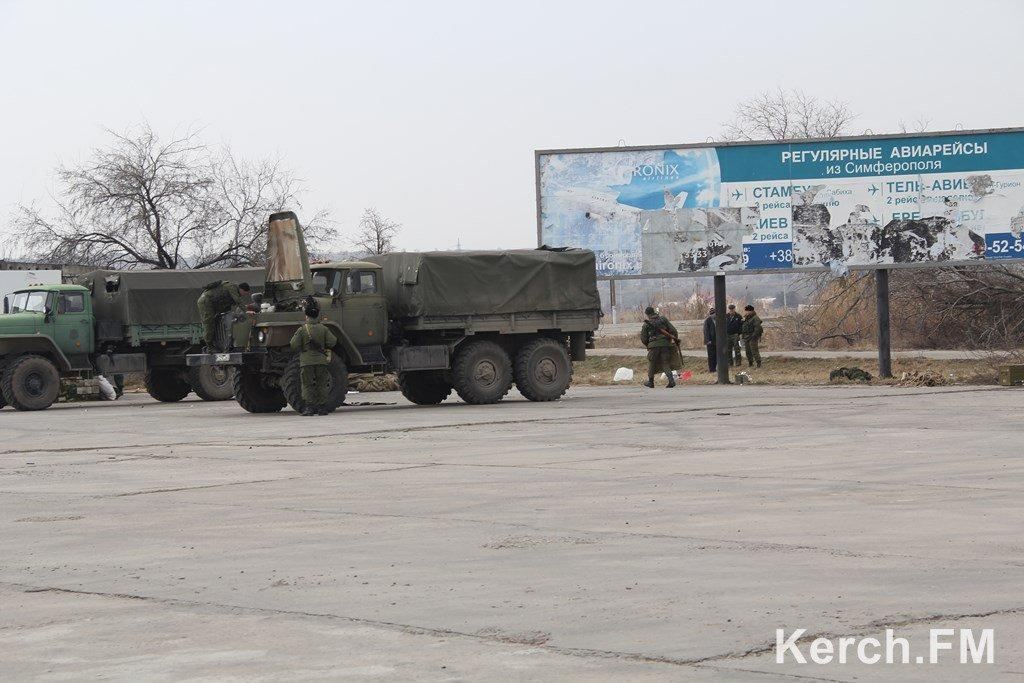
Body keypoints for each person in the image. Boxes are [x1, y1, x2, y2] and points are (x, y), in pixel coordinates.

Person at [289, 304, 338, 416]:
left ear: (306, 316)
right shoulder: (324, 329)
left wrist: (303, 348)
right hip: (321, 361)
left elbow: (293, 344)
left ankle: (309, 408)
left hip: (306, 361)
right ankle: (322, 408)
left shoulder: (302, 329)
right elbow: (332, 342)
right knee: (322, 384)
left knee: (307, 384)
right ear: (317, 316)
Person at [197, 281, 251, 352]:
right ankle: (209, 346)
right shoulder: (232, 287)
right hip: (206, 301)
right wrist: (246, 311)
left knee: (217, 321)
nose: (243, 295)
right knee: (209, 323)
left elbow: (227, 307)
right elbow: (237, 300)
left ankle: (217, 345)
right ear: (241, 289)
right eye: (244, 293)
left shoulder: (231, 291)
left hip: (212, 303)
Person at [640, 306, 680, 388]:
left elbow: (643, 338)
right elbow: (673, 330)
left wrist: (648, 345)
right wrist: (674, 340)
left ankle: (651, 382)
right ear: (654, 311)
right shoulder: (663, 319)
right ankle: (671, 381)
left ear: (647, 314)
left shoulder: (646, 324)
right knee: (665, 363)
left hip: (654, 346)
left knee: (652, 363)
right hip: (665, 344)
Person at [703, 307, 717, 373]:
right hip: (710, 341)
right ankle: (712, 369)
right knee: (711, 356)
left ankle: (715, 367)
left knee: (716, 355)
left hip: (717, 341)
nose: (714, 315)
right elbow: (706, 331)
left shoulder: (717, 320)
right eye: (712, 313)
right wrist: (708, 340)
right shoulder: (708, 320)